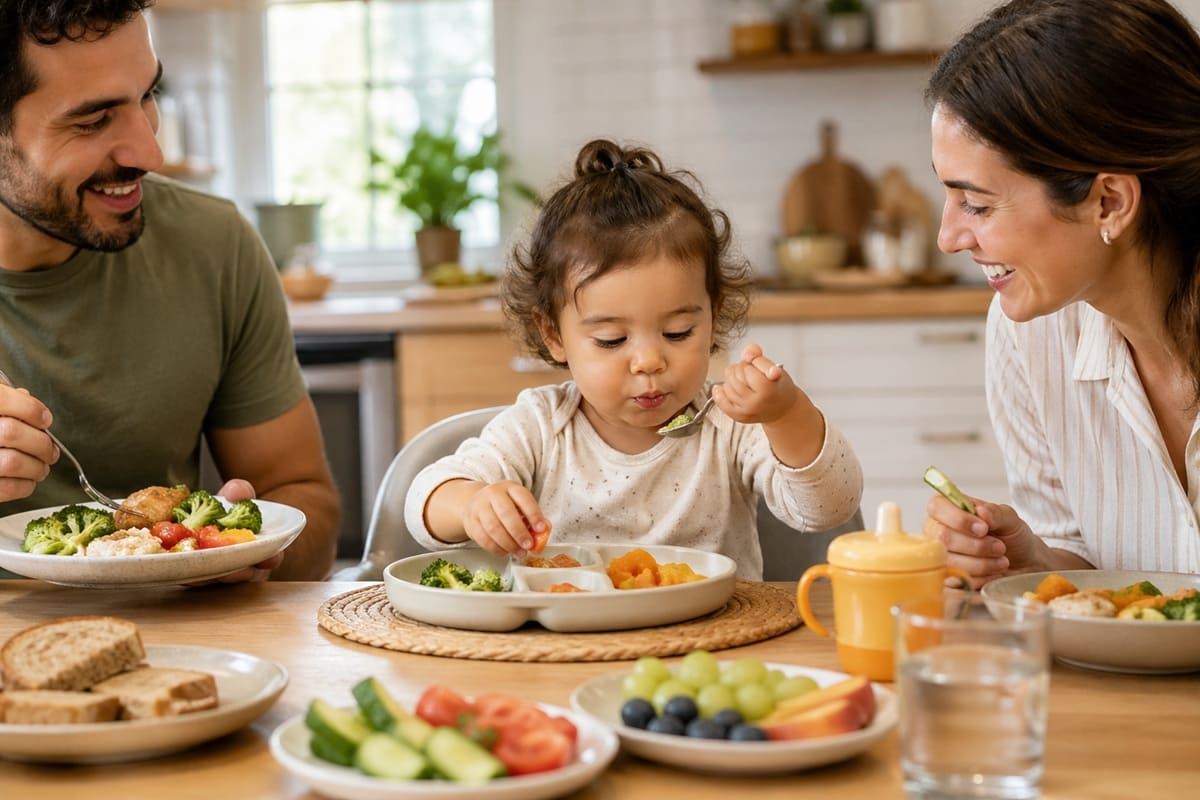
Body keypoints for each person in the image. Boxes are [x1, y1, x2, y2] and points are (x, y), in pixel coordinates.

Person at [405, 139, 863, 579]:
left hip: (712, 646)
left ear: (713, 314)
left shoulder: (730, 426)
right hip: (569, 650)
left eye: (677, 332)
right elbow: (424, 501)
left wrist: (786, 414)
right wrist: (472, 505)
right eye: (610, 339)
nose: (648, 361)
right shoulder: (541, 427)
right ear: (553, 334)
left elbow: (829, 509)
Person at [0, 1, 340, 581]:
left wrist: (255, 548)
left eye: (148, 96)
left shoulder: (214, 245)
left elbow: (308, 503)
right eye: (91, 120)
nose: (151, 155)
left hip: (181, 646)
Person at [921, 0, 1200, 585]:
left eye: (976, 203)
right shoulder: (1028, 334)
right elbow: (1091, 566)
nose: (948, 237)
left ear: (1110, 202)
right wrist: (1038, 564)